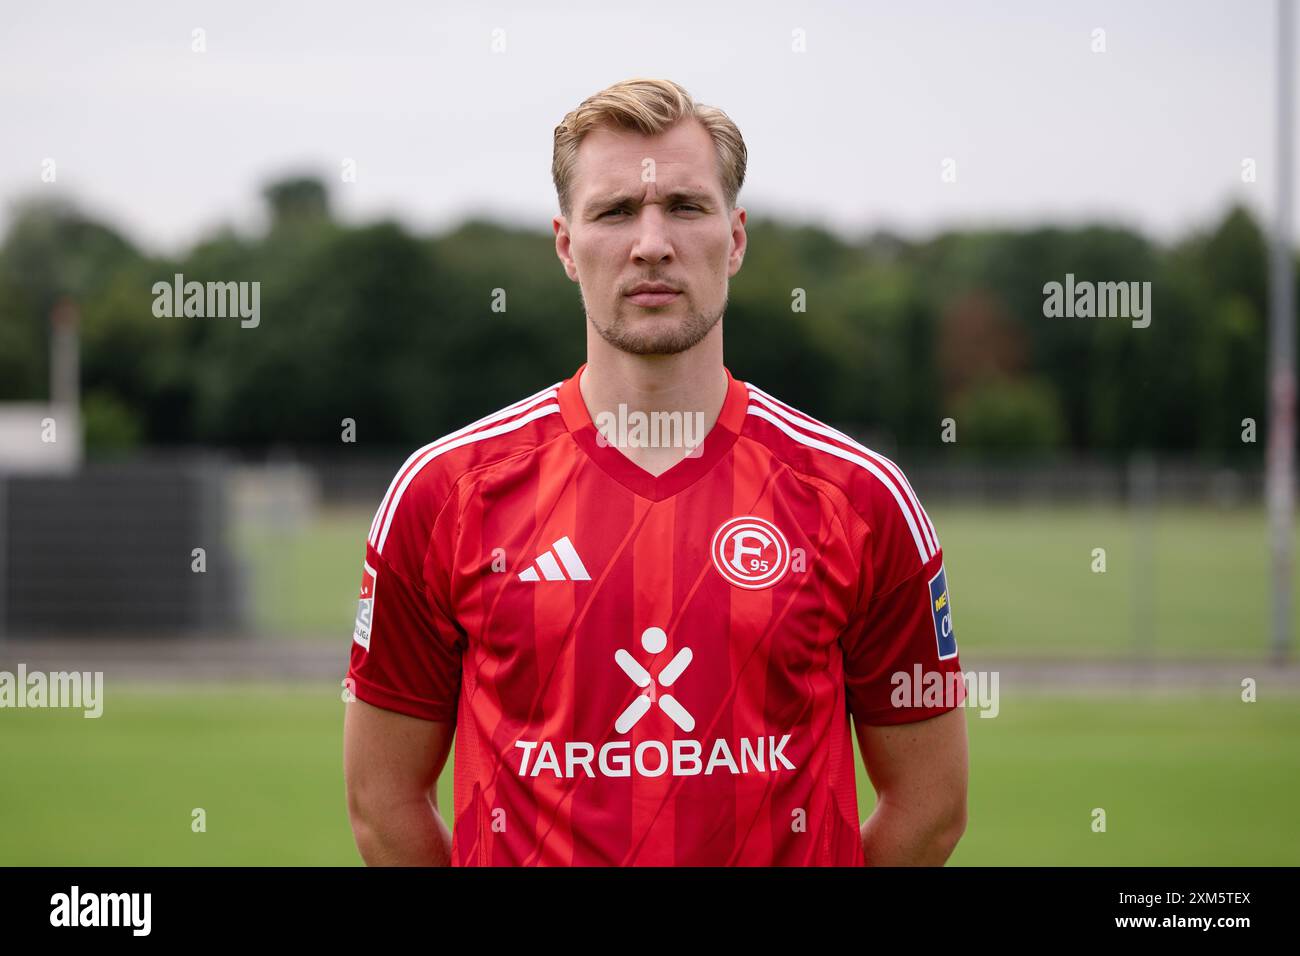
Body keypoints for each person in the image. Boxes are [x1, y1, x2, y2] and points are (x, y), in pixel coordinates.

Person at [343, 77, 968, 866]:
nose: (651, 244)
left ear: (735, 238)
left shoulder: (861, 498)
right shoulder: (443, 495)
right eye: (613, 212)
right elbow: (382, 803)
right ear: (567, 246)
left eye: (684, 206)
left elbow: (931, 806)